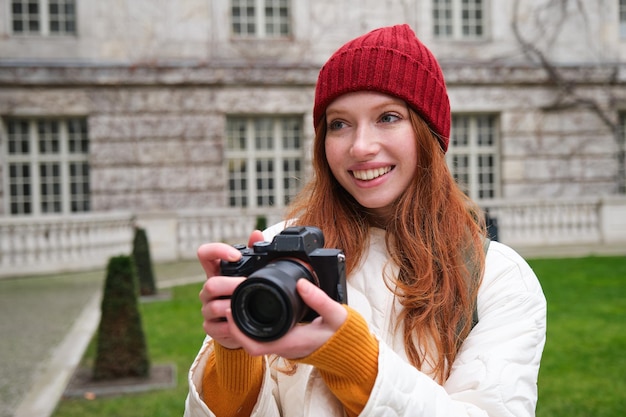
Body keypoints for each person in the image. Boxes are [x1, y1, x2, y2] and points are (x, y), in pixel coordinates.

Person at [184, 24, 547, 417]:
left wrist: (353, 358)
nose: (360, 147)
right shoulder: (279, 251)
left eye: (388, 117)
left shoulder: (497, 278)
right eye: (339, 124)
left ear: (428, 133)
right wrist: (234, 349)